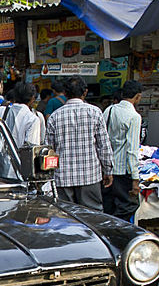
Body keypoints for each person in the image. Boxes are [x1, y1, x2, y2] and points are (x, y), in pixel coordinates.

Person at [45, 76, 113, 211]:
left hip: (63, 177)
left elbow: (49, 150)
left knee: (65, 216)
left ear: (65, 93)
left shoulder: (55, 116)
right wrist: (108, 170)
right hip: (90, 175)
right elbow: (103, 146)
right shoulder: (95, 112)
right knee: (91, 215)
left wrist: (49, 177)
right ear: (85, 92)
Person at [101, 80, 143, 222]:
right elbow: (132, 150)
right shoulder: (134, 116)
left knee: (108, 205)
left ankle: (108, 228)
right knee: (128, 205)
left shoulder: (109, 110)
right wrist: (135, 178)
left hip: (107, 167)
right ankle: (116, 229)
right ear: (138, 96)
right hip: (123, 170)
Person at [1, 82, 44, 148]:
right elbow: (31, 148)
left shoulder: (0, 111)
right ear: (32, 98)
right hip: (18, 154)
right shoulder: (32, 119)